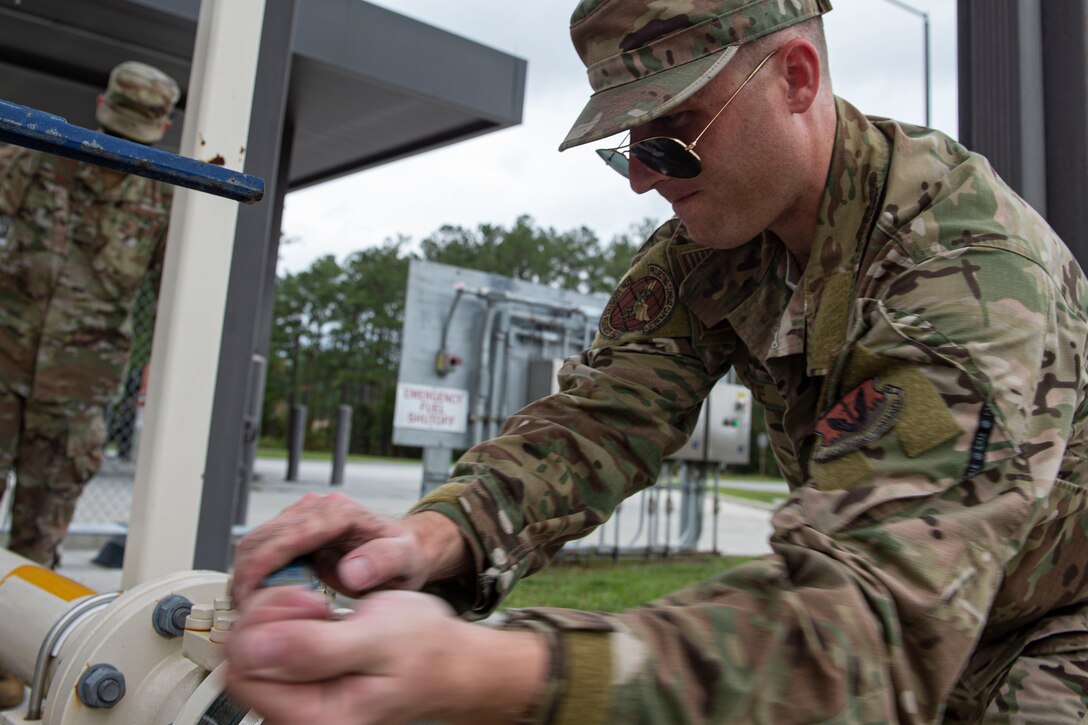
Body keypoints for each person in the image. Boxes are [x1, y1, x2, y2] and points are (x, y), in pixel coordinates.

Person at [225, 0, 1088, 722]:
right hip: (920, 612)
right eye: (625, 143)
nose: (643, 177)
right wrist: (430, 538)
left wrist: (496, 672)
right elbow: (597, 421)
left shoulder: (965, 271)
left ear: (797, 77)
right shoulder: (711, 249)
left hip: (1056, 624)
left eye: (673, 132)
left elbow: (866, 625)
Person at [0, 62, 178, 706]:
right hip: (3, 360)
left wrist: (162, 362)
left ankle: (7, 672)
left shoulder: (162, 195)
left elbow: (172, 294)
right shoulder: (35, 158)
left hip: (76, 394)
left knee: (37, 541)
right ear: (100, 106)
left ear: (161, 128)